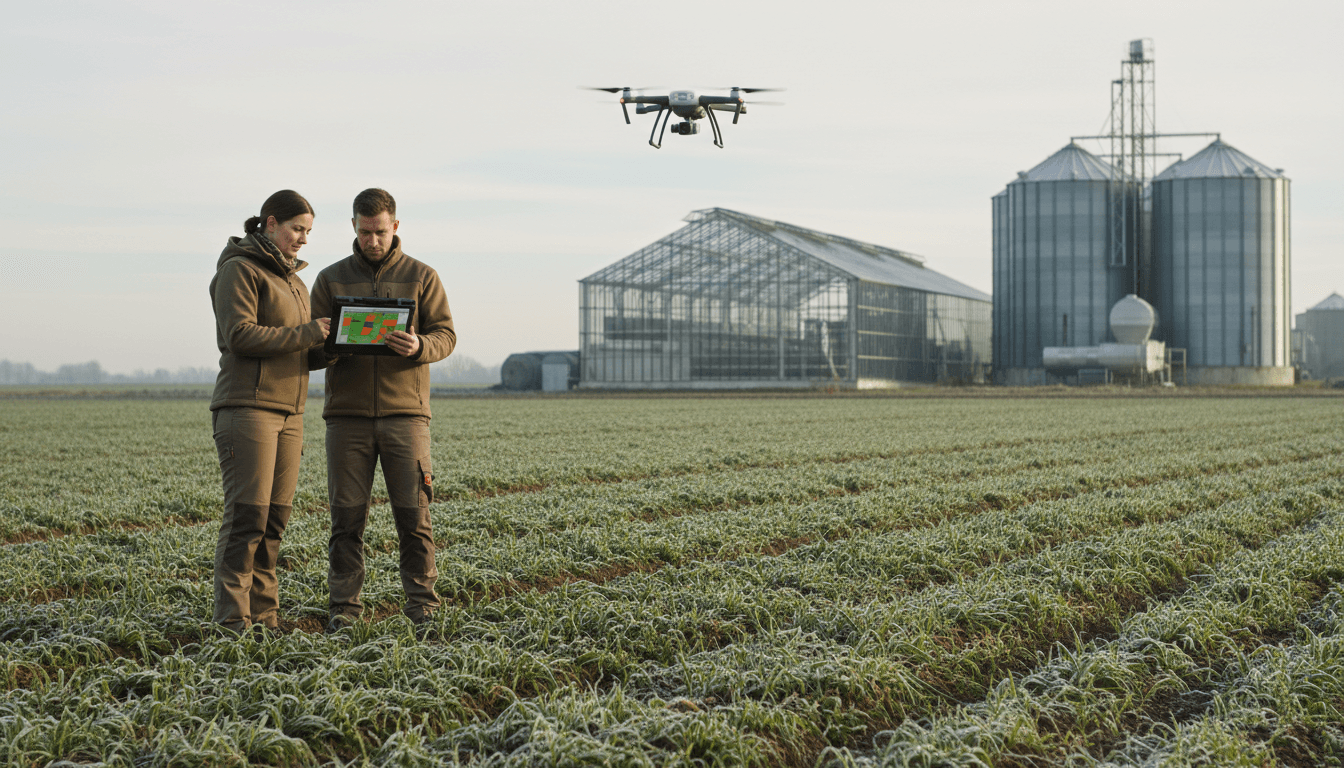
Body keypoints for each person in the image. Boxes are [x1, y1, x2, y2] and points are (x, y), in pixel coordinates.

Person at [310, 188, 456, 631]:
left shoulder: (422, 277)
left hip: (405, 417)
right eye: (364, 231)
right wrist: (332, 349)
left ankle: (423, 611)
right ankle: (345, 613)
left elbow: (446, 336)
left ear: (395, 227)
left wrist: (418, 346)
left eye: (380, 231)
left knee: (414, 518)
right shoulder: (330, 279)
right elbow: (310, 351)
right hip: (347, 419)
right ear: (353, 227)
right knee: (346, 521)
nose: (373, 240)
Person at [208, 190, 330, 634]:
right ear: (271, 222)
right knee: (247, 519)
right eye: (298, 229)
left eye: (308, 232)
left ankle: (265, 616)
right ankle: (231, 621)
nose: (303, 239)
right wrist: (307, 332)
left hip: (290, 412)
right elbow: (240, 335)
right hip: (247, 408)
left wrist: (334, 350)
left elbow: (298, 350)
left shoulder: (295, 281)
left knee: (274, 522)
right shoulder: (239, 269)